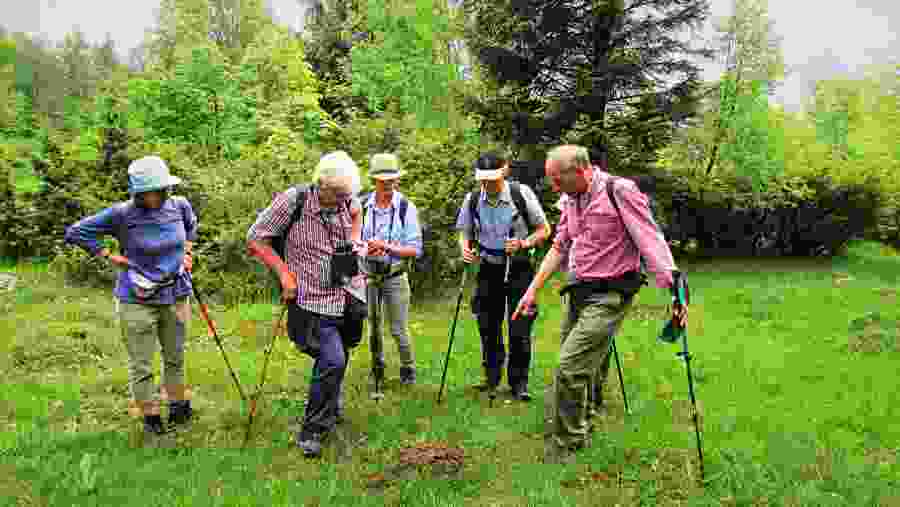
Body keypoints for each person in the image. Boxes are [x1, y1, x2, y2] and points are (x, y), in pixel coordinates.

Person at [512, 144, 687, 463]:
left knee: (569, 366)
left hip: (611, 294)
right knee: (584, 360)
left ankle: (569, 443)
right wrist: (532, 290)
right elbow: (560, 245)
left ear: (580, 171)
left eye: (556, 179)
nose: (553, 187)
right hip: (578, 290)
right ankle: (587, 411)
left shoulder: (618, 191)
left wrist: (674, 286)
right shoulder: (572, 199)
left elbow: (649, 238)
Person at [64, 156, 197, 446]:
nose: (159, 195)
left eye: (162, 188)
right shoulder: (122, 215)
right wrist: (108, 256)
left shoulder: (179, 206)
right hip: (136, 298)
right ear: (139, 192)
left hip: (176, 294)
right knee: (142, 364)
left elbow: (190, 227)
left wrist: (187, 253)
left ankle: (178, 407)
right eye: (153, 190)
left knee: (175, 355)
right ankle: (151, 419)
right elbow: (76, 232)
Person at [246, 151, 366, 458]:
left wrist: (355, 243)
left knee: (341, 353)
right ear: (321, 184)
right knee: (333, 359)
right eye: (338, 194)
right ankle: (312, 432)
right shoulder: (293, 201)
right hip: (311, 298)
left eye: (347, 195)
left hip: (348, 294)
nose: (343, 201)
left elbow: (356, 215)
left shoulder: (348, 200)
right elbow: (256, 237)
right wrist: (284, 273)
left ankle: (331, 403)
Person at [456, 152, 551, 401]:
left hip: (519, 267)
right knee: (488, 325)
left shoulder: (521, 194)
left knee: (519, 326)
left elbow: (544, 230)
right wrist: (464, 249)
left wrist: (522, 243)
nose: (487, 184)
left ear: (505, 171)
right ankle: (491, 379)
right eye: (483, 179)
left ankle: (519, 384)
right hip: (488, 267)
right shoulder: (473, 198)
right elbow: (464, 232)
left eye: (492, 179)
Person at [359, 153, 423, 394]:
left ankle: (408, 369)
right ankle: (377, 369)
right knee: (373, 326)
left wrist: (386, 247)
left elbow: (415, 250)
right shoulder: (361, 206)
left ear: (397, 180)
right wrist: (366, 248)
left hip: (395, 275)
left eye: (391, 181)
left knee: (398, 328)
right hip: (368, 275)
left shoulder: (406, 207)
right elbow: (352, 240)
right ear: (374, 180)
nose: (387, 185)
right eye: (382, 181)